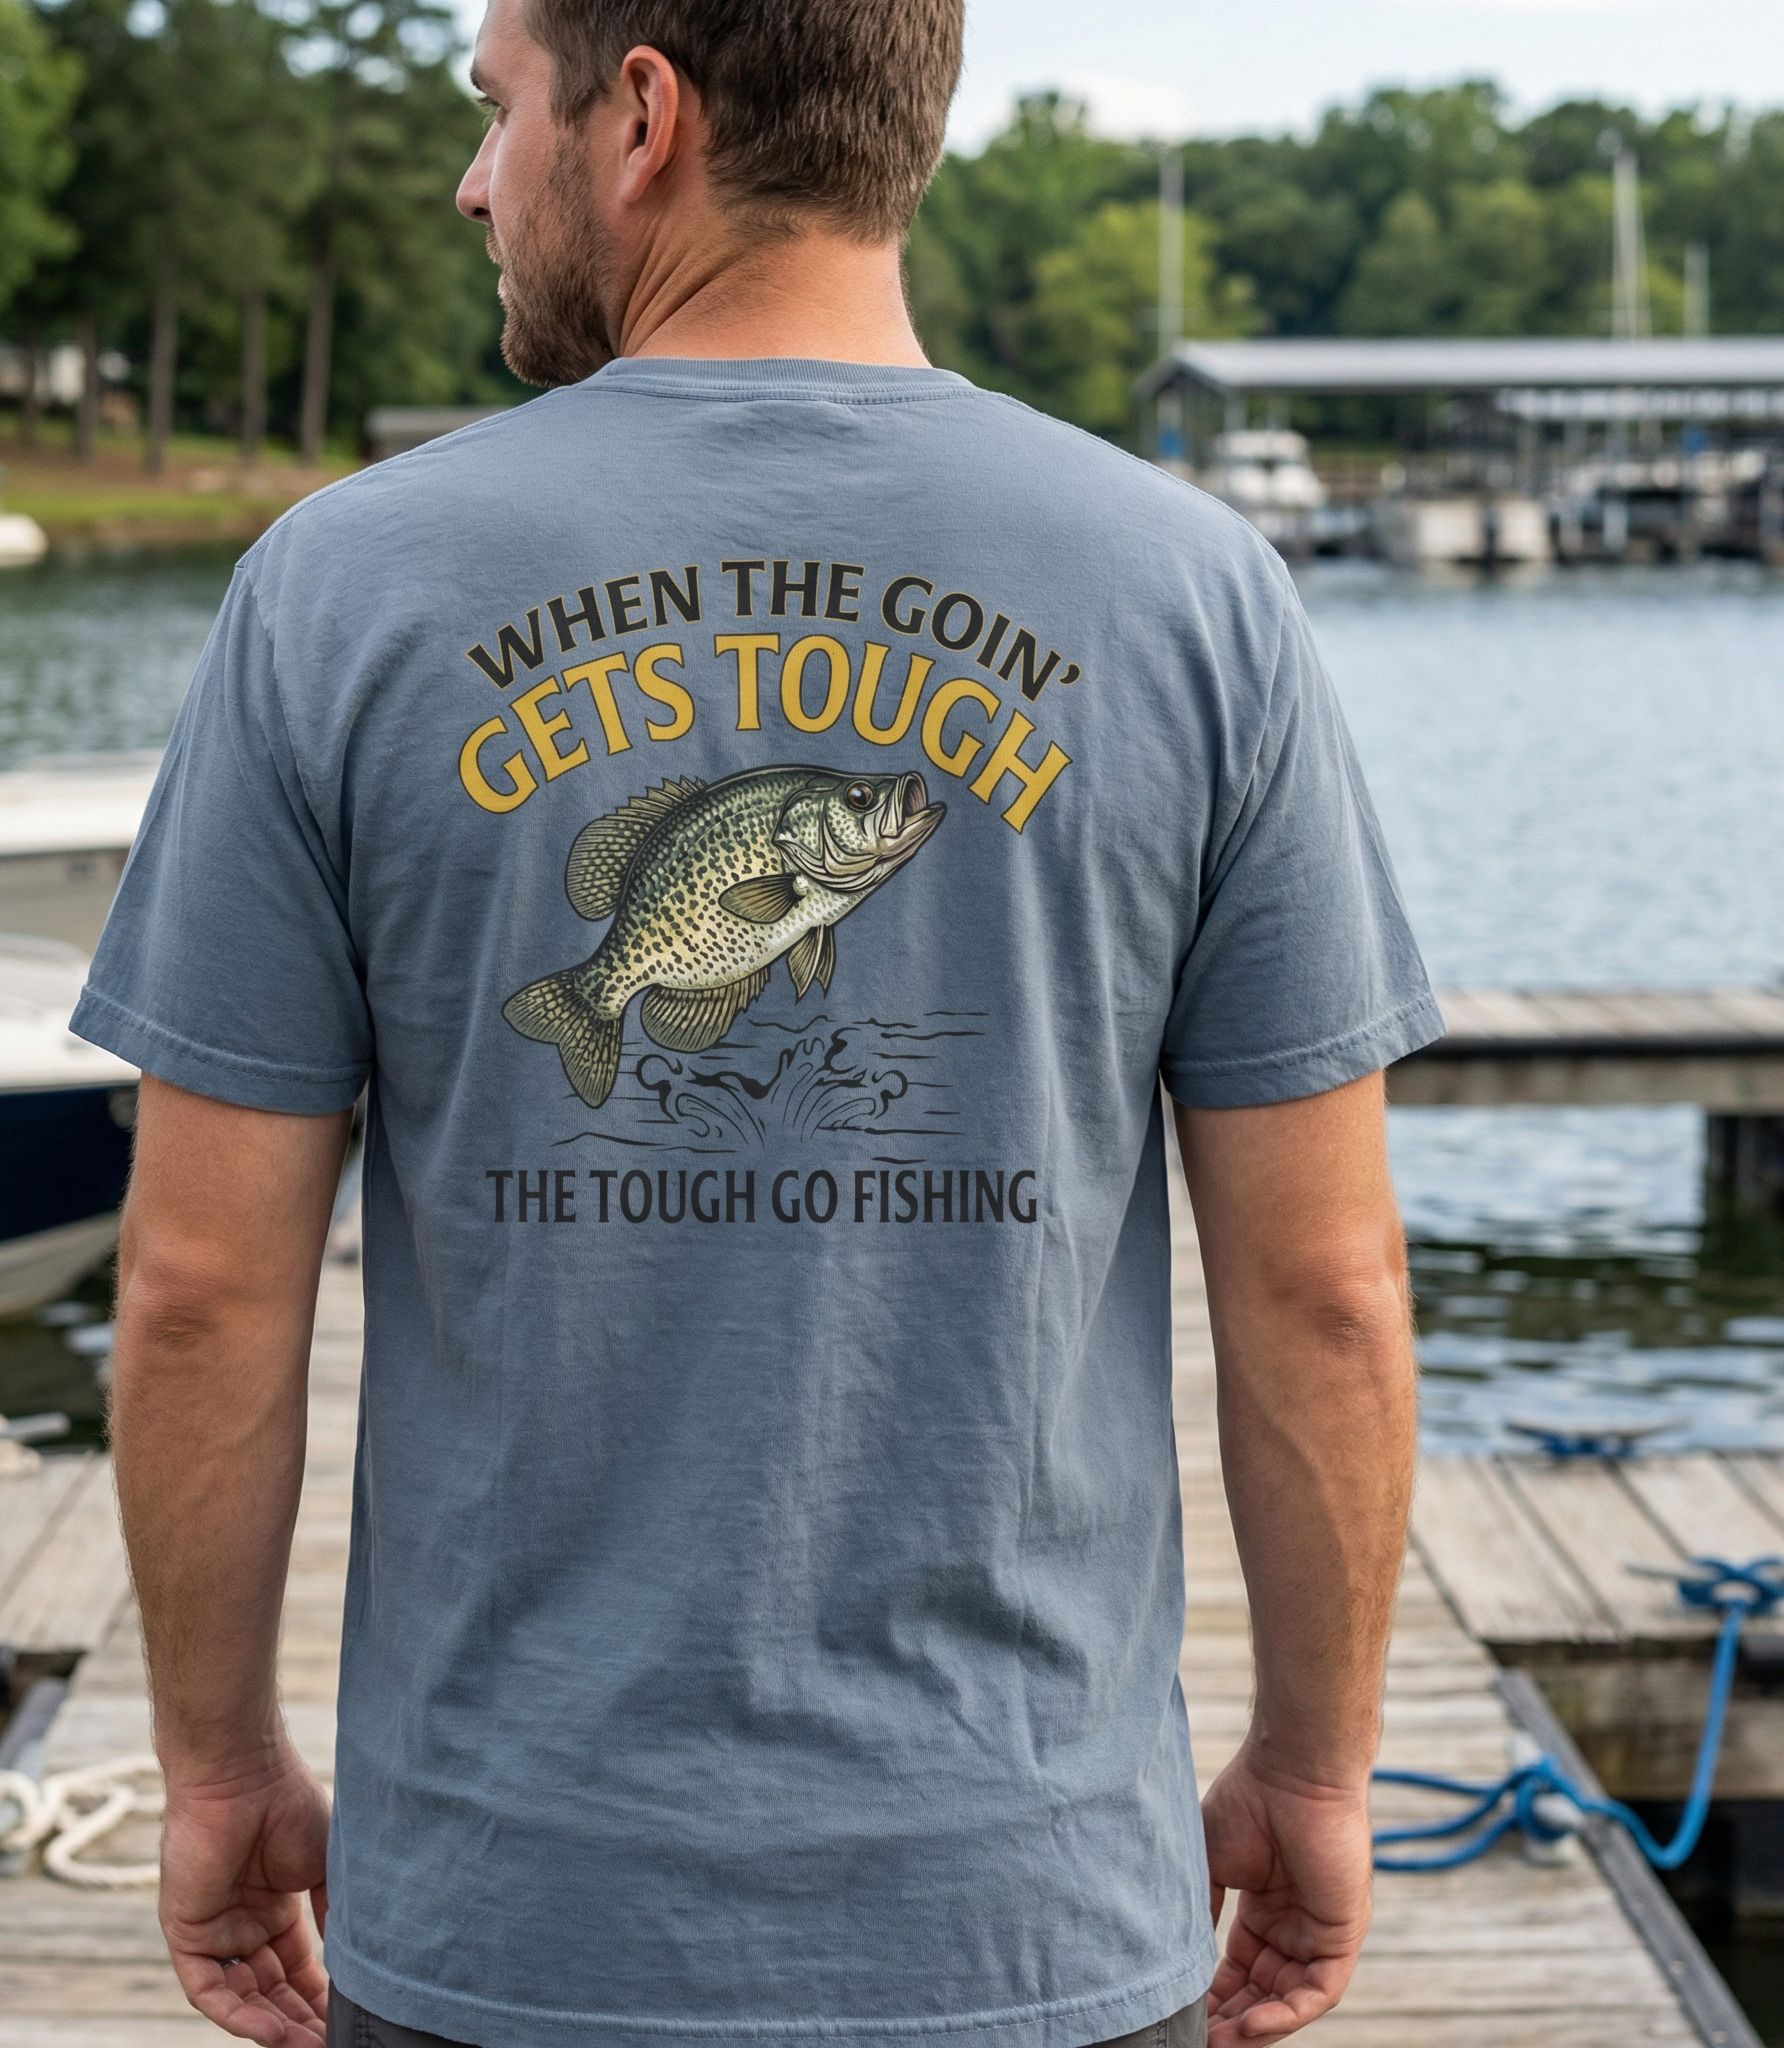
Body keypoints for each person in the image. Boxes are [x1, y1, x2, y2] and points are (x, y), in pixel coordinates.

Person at [76, 3, 1438, 2046]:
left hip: (507, 1922)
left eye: (491, 110)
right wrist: (1318, 1777)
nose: (472, 180)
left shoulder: (337, 589)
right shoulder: (1196, 596)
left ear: (639, 113)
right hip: (1037, 1915)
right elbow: (1327, 1288)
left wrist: (215, 1770)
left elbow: (194, 1286)